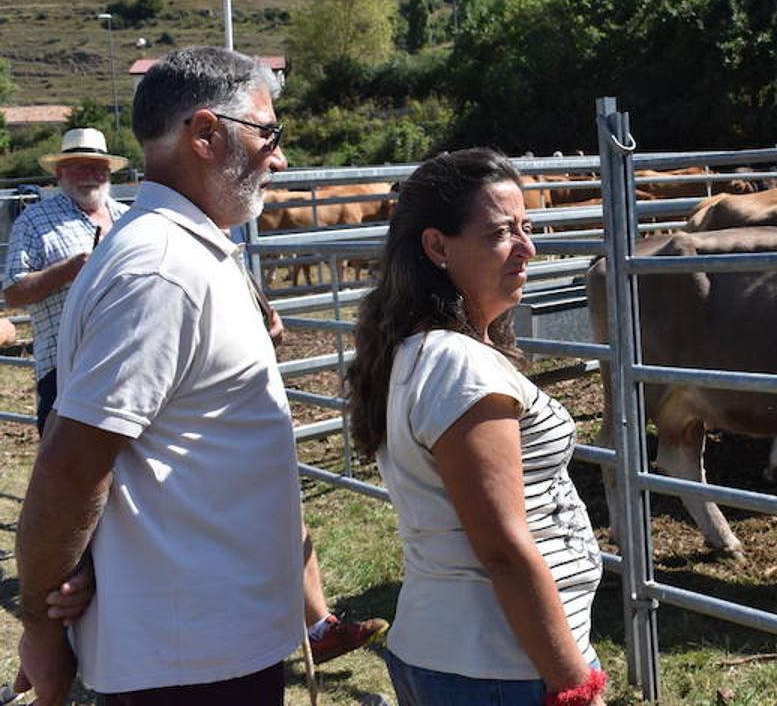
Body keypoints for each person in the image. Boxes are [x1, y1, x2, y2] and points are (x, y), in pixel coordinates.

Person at [13, 46, 304, 705]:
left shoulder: (180, 251)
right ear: (205, 133)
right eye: (268, 132)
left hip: (207, 640)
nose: (279, 157)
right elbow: (71, 465)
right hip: (190, 660)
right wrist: (41, 631)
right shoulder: (162, 269)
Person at [346, 149, 607, 706]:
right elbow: (503, 550)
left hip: (474, 659)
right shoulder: (457, 365)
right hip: (500, 666)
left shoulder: (421, 350)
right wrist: (574, 687)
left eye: (527, 228)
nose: (527, 249)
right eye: (499, 234)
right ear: (438, 247)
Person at [3, 127, 129, 436]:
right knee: (64, 470)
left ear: (109, 173)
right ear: (60, 173)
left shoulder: (128, 218)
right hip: (66, 366)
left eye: (98, 167)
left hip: (126, 361)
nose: (91, 175)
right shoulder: (34, 221)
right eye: (80, 167)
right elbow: (13, 293)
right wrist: (69, 270)